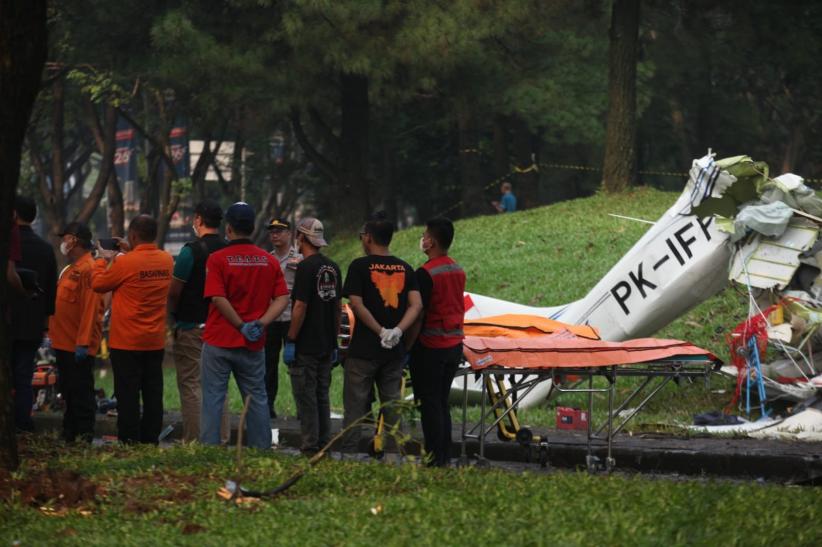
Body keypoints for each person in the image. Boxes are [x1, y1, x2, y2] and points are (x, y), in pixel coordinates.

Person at [200, 202, 290, 449]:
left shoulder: (217, 259)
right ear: (252, 228)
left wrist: (239, 325)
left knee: (213, 399)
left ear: (228, 228)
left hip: (219, 340)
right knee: (257, 398)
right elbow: (283, 297)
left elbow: (218, 298)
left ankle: (209, 451)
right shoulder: (268, 261)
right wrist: (260, 324)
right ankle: (260, 450)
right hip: (253, 343)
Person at [341, 212, 422, 452]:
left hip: (362, 351)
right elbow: (417, 305)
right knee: (393, 408)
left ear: (368, 238)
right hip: (393, 352)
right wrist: (396, 332)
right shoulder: (405, 268)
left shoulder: (359, 266)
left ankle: (349, 458)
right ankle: (395, 457)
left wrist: (380, 331)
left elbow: (356, 303)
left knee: (355, 408)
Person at [92, 215, 173, 444]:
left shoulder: (124, 263)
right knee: (152, 394)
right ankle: (150, 440)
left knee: (127, 396)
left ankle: (128, 440)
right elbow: (143, 264)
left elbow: (98, 284)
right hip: (154, 341)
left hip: (126, 342)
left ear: (133, 235)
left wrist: (101, 258)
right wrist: (129, 250)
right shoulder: (166, 260)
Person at [167, 200, 230, 443]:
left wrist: (172, 317)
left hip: (192, 327)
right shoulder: (227, 251)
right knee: (218, 385)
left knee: (192, 384)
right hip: (222, 327)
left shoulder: (190, 251)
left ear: (199, 220)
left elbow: (174, 292)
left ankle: (194, 440)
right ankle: (221, 439)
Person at [406, 218, 466, 466]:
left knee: (429, 404)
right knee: (441, 402)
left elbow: (418, 313)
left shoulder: (425, 273)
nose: (422, 238)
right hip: (454, 345)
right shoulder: (457, 269)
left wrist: (407, 345)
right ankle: (444, 456)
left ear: (431, 241)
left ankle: (433, 458)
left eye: (424, 234)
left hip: (430, 348)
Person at [283, 217, 341, 455]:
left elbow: (299, 307)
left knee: (306, 398)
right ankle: (325, 444)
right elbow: (337, 307)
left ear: (302, 238)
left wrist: (291, 339)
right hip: (327, 344)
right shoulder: (333, 267)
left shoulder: (304, 267)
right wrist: (334, 339)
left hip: (306, 345)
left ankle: (309, 447)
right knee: (322, 396)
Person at [49, 222, 104, 443]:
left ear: (73, 240)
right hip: (64, 344)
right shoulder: (71, 269)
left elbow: (91, 309)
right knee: (69, 394)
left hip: (77, 346)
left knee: (81, 394)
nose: (63, 243)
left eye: (65, 238)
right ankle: (70, 433)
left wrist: (83, 343)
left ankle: (83, 436)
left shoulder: (89, 269)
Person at [9, 196, 57, 432]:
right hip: (31, 324)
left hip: (6, 321)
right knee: (24, 376)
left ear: (13, 215)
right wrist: (45, 322)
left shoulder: (7, 245)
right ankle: (23, 423)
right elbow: (50, 292)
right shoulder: (46, 249)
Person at [264, 218, 302, 419]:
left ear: (290, 234)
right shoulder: (267, 259)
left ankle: (301, 408)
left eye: (279, 231)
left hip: (291, 319)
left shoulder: (300, 259)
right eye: (272, 232)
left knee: (296, 366)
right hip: (271, 320)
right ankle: (267, 406)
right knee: (268, 365)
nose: (275, 235)